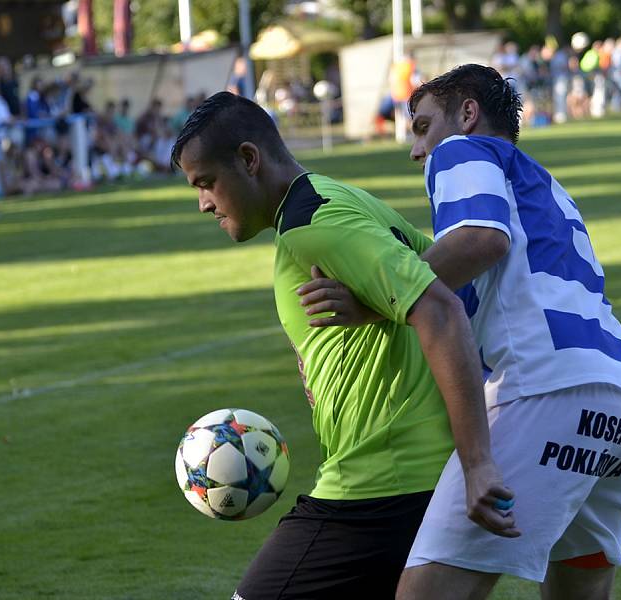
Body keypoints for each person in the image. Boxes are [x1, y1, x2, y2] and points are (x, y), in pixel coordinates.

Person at [298, 64, 621, 600]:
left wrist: (375, 300)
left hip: (546, 391)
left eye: (422, 126)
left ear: (467, 113)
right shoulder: (545, 185)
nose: (416, 150)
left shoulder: (463, 152)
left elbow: (480, 238)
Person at [171, 91, 517, 600]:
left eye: (206, 183)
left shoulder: (314, 223)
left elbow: (441, 309)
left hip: (376, 485)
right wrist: (378, 304)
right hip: (402, 479)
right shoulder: (339, 199)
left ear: (249, 159)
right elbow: (446, 287)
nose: (203, 202)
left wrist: (478, 461)